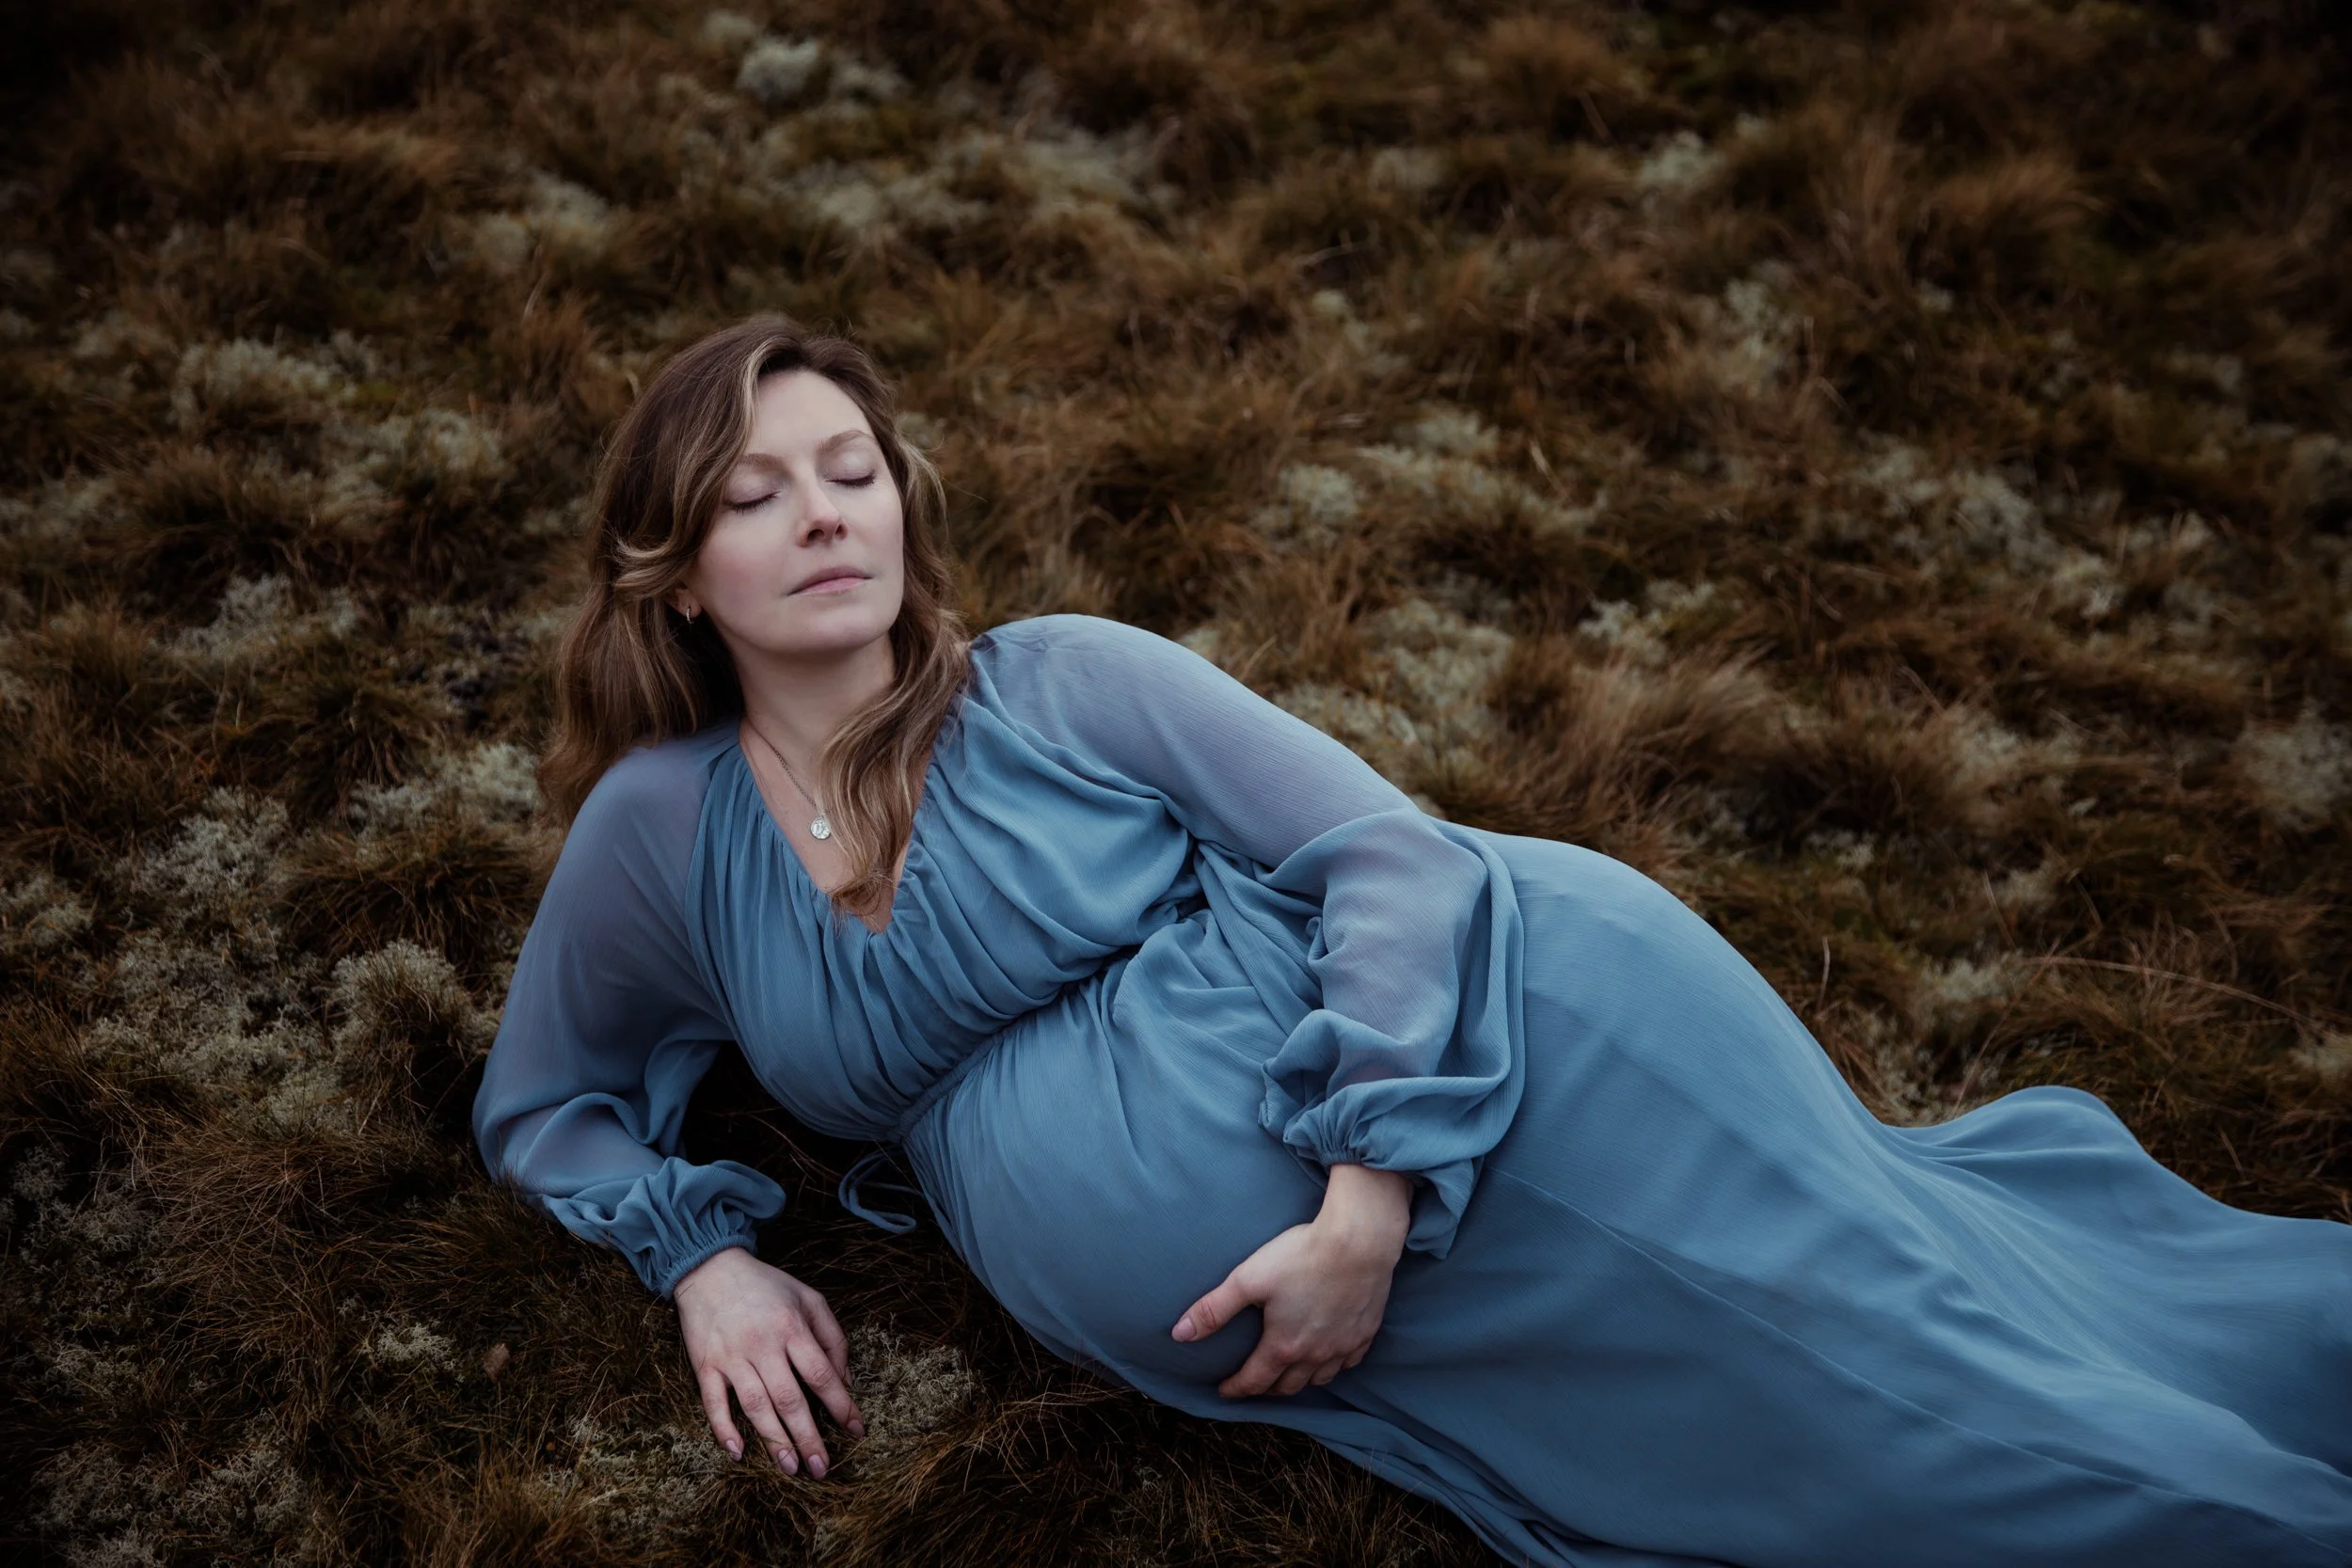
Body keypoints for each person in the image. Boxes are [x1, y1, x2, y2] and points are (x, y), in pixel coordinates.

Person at [472, 314, 2352, 1568]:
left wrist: (1366, 1196)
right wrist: (706, 1263)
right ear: (674, 570)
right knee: (1872, 1436)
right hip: (1362, 1286)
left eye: (851, 468)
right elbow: (549, 1099)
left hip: (1517, 1059)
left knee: (1934, 1393)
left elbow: (1388, 856)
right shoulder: (663, 832)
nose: (824, 517)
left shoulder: (1058, 678)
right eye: (755, 494)